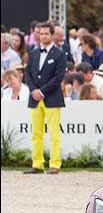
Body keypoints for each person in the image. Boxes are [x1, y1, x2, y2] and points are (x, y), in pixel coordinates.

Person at [23, 23, 66, 174]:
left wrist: (42, 91)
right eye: (41, 34)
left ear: (52, 35)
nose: (43, 36)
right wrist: (33, 90)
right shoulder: (33, 52)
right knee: (36, 133)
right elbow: (27, 73)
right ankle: (37, 164)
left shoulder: (59, 54)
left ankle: (54, 164)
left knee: (54, 133)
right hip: (34, 98)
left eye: (46, 33)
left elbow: (59, 77)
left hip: (52, 98)